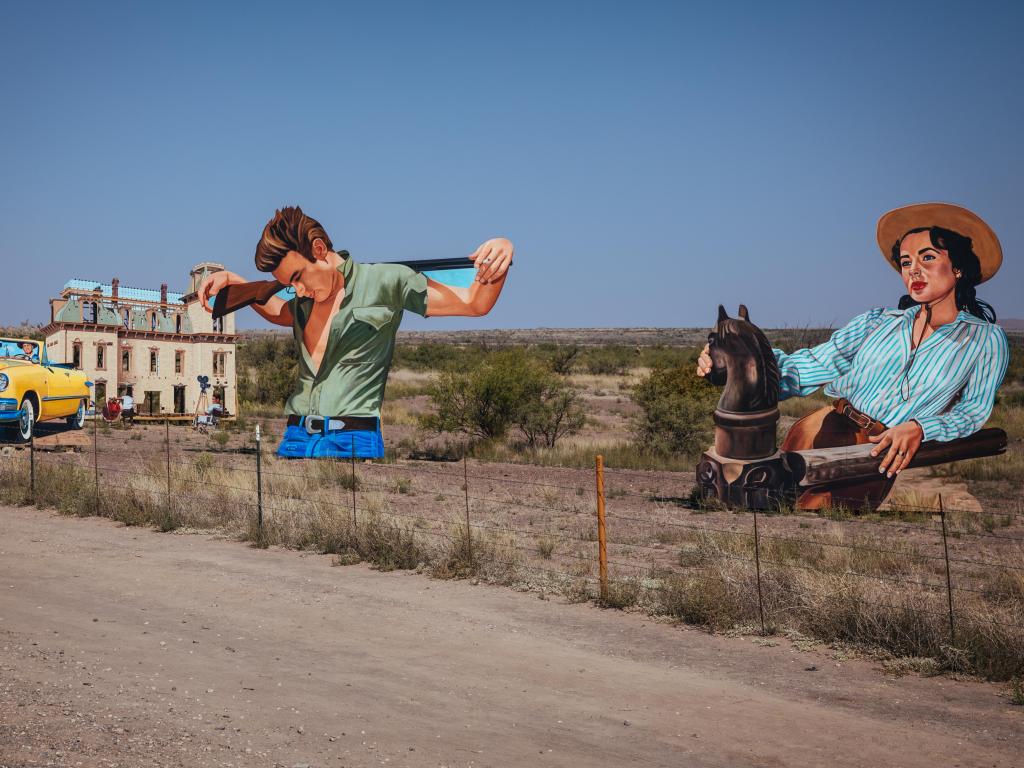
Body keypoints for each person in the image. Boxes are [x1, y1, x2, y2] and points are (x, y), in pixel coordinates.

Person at [697, 202, 1009, 510]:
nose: (914, 269)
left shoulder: (984, 340)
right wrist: (742, 363)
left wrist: (921, 427)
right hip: (820, 428)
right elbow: (815, 364)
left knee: (819, 524)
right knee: (768, 505)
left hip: (877, 449)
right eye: (905, 262)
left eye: (927, 258)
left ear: (958, 267)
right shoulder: (877, 322)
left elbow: (972, 411)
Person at [198, 207, 513, 459]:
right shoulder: (303, 303)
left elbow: (473, 303)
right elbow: (278, 310)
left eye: (298, 277)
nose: (298, 290)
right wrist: (236, 283)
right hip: (294, 440)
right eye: (289, 284)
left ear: (319, 249)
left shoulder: (387, 281)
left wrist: (502, 250)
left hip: (353, 443)